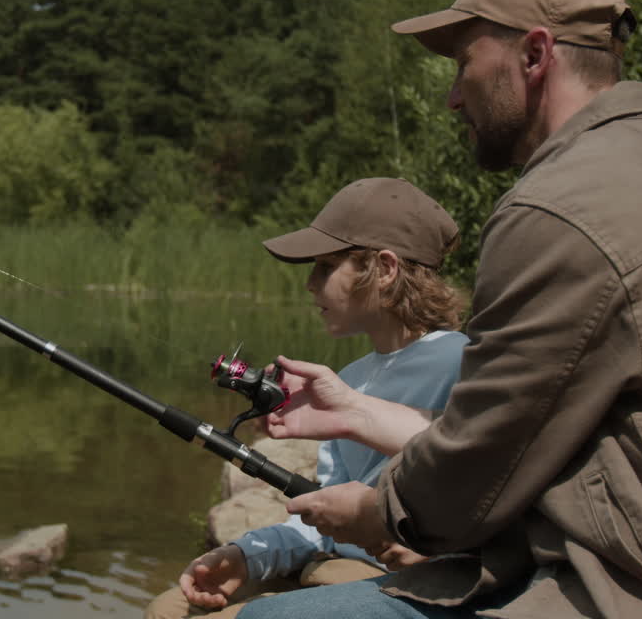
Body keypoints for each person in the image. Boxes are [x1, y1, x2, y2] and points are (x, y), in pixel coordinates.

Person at [236, 0, 642, 618]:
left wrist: (380, 512)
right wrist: (356, 411)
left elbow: (472, 472)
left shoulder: (559, 208)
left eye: (464, 66)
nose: (454, 99)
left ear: (534, 54)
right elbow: (519, 426)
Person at [144, 177, 470, 619]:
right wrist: (246, 555)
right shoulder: (350, 379)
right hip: (333, 566)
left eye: (326, 266)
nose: (310, 284)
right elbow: (322, 523)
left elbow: (489, 486)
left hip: (405, 587)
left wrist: (437, 550)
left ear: (386, 269)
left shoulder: (464, 365)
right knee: (167, 609)